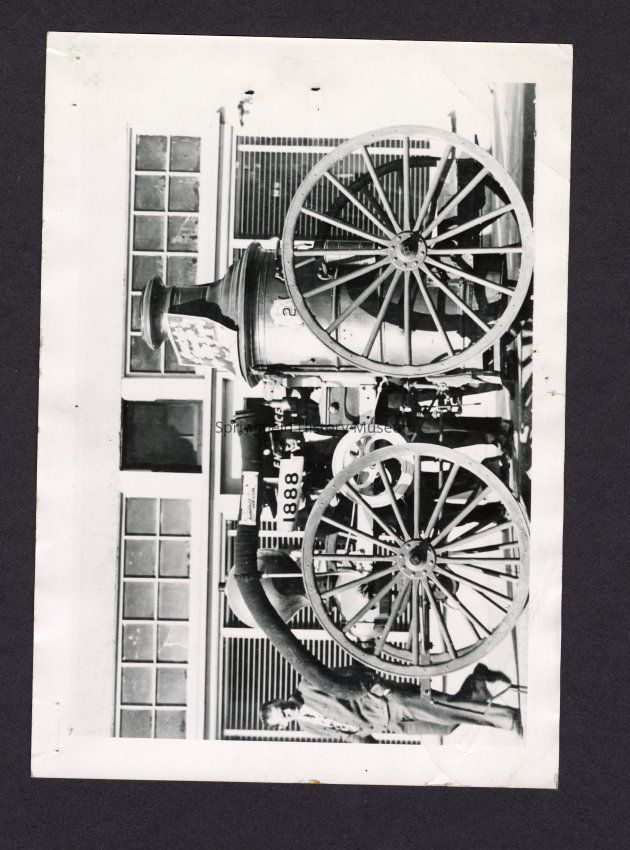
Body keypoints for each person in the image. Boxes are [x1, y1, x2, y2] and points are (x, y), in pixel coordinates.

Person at [260, 663, 522, 742]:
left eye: (281, 706)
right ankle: (478, 680)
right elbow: (343, 734)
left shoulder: (307, 685)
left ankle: (509, 719)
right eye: (284, 716)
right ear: (284, 725)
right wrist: (367, 744)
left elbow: (349, 673)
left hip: (388, 702)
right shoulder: (308, 728)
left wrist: (379, 688)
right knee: (446, 726)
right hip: (387, 726)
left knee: (448, 711)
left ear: (279, 699)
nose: (287, 710)